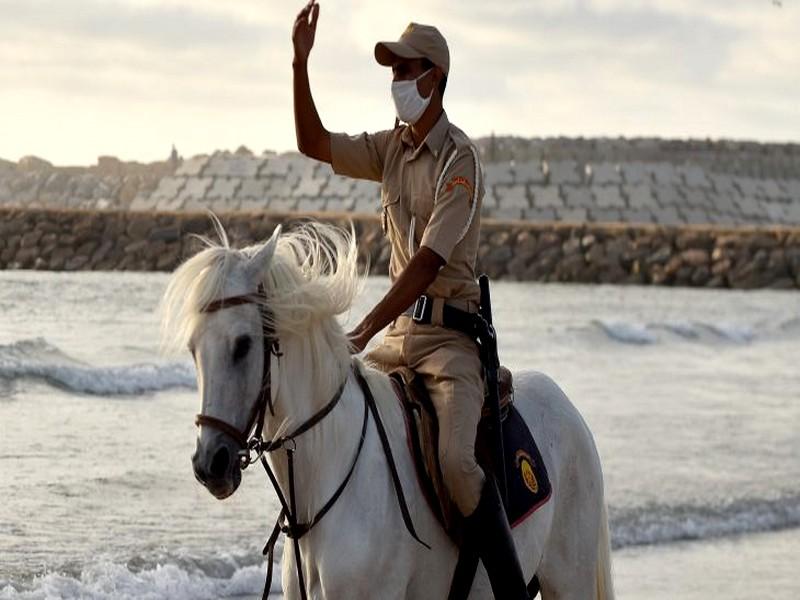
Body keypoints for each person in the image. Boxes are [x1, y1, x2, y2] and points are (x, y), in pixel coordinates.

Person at [292, 2, 529, 597]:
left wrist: (368, 323)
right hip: (399, 340)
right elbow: (313, 142)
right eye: (393, 71)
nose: (397, 81)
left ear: (436, 78)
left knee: (456, 462)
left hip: (450, 341)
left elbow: (428, 261)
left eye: (407, 70)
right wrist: (300, 64)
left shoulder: (460, 160)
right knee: (332, 420)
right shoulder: (389, 150)